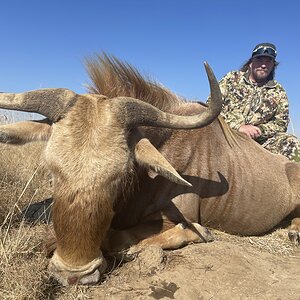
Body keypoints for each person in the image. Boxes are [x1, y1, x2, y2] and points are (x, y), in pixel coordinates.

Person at [209, 42, 300, 162]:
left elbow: (280, 124)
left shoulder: (279, 91)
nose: (263, 65)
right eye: (259, 60)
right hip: (227, 135)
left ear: (273, 65)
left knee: (292, 143)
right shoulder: (231, 78)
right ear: (251, 63)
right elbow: (212, 105)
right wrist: (238, 127)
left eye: (268, 61)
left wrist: (259, 131)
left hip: (260, 144)